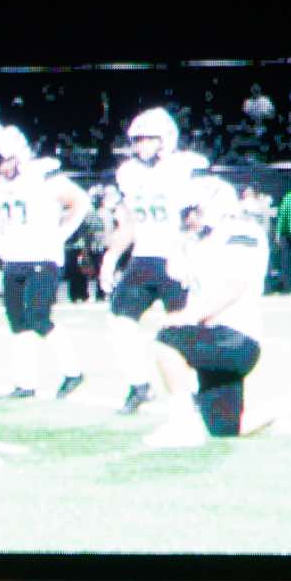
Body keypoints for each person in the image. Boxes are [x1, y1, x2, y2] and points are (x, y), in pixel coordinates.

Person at [145, 174, 274, 445]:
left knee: (166, 341)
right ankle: (289, 408)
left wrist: (190, 316)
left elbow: (234, 285)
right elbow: (175, 273)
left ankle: (182, 424)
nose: (188, 219)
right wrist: (181, 243)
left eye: (192, 211)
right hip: (218, 336)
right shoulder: (200, 240)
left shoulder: (241, 232)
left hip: (235, 336)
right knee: (224, 427)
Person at [0, 122, 91, 400]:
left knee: (38, 317)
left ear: (18, 155)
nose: (1, 167)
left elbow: (80, 202)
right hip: (13, 259)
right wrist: (0, 247)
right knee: (18, 322)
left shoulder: (42, 176)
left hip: (42, 258)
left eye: (4, 160)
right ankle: (26, 382)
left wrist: (60, 235)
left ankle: (73, 371)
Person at [100, 108, 208, 415]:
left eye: (148, 139)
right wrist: (111, 257)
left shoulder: (186, 168)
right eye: (137, 140)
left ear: (166, 139)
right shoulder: (128, 173)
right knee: (120, 320)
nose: (141, 146)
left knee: (184, 326)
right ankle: (139, 385)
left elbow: (200, 219)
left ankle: (197, 388)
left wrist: (191, 255)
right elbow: (131, 221)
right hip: (144, 257)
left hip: (180, 256)